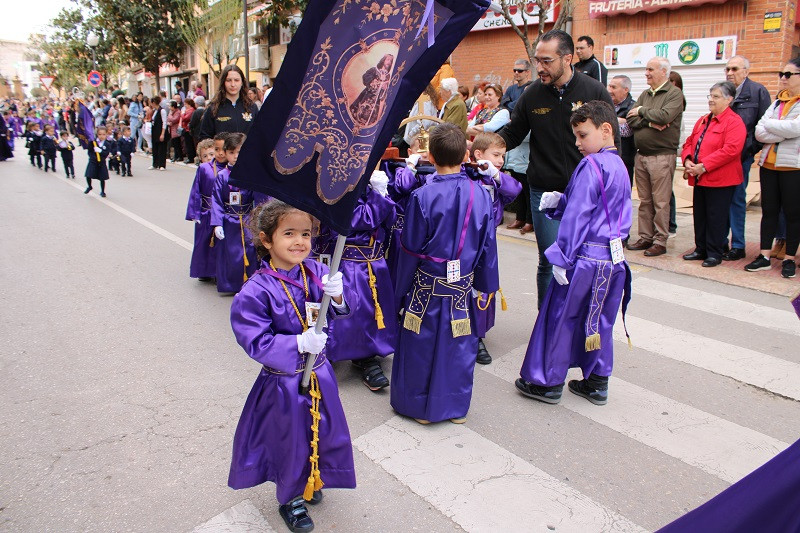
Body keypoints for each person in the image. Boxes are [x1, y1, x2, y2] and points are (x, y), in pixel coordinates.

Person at [228, 200, 355, 533]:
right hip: (284, 381)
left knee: (323, 431)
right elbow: (255, 340)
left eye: (306, 234)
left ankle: (313, 475)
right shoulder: (255, 290)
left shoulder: (314, 271)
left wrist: (338, 296)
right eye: (289, 234)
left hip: (321, 373)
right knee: (291, 440)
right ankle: (290, 498)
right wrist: (297, 344)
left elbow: (337, 312)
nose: (301, 241)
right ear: (266, 240)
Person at [515, 100, 631, 406]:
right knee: (600, 320)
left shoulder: (591, 165)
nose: (577, 143)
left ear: (606, 130)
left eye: (582, 135)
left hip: (583, 260)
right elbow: (605, 211)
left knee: (560, 317)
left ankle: (549, 382)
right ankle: (597, 381)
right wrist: (561, 201)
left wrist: (562, 257)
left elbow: (579, 216)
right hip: (613, 260)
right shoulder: (619, 165)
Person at [390, 123, 499, 425]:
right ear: (466, 155)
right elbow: (488, 245)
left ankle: (419, 408)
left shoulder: (422, 196)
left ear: (430, 157)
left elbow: (410, 249)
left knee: (420, 344)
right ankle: (454, 407)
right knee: (458, 346)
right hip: (462, 288)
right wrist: (487, 285)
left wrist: (398, 290)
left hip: (426, 287)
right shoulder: (482, 194)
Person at [498, 29, 614, 308]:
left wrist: (612, 184)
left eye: (547, 61)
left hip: (586, 192)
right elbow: (512, 134)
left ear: (568, 58)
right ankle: (547, 325)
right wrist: (484, 146)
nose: (540, 67)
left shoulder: (594, 91)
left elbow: (612, 143)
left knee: (584, 259)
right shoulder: (531, 94)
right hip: (544, 191)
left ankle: (578, 320)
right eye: (537, 60)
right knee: (551, 259)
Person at [314, 171, 397, 391]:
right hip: (350, 263)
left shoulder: (369, 187)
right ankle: (330, 353)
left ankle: (368, 356)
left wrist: (382, 192)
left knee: (374, 312)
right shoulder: (336, 189)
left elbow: (390, 220)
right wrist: (379, 196)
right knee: (350, 312)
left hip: (375, 262)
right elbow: (359, 219)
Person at [745, 57, 800, 279]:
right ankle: (764, 256)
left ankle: (789, 258)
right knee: (769, 213)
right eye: (781, 74)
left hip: (792, 167)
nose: (783, 79)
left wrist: (773, 127)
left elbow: (797, 127)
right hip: (769, 165)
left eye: (788, 74)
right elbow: (760, 131)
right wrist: (782, 129)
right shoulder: (777, 103)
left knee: (794, 214)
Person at [681, 82, 746, 267]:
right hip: (700, 177)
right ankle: (701, 248)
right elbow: (690, 142)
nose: (711, 100)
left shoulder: (734, 122)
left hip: (720, 180)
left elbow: (731, 150)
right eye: (710, 95)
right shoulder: (703, 120)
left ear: (729, 99)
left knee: (716, 217)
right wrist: (687, 160)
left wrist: (704, 166)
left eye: (716, 96)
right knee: (700, 215)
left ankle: (715, 252)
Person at [470, 132, 522, 365]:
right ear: (479, 155)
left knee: (484, 286)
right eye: (496, 155)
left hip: (488, 243)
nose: (501, 160)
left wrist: (496, 175)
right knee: (466, 286)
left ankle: (479, 333)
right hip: (468, 242)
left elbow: (515, 190)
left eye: (503, 155)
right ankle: (466, 330)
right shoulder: (468, 176)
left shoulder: (496, 179)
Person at [625, 57, 684, 257]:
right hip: (641, 155)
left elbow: (665, 116)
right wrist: (649, 122)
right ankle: (645, 236)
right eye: (646, 69)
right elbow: (631, 120)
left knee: (661, 202)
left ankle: (660, 240)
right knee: (645, 201)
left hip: (662, 156)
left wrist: (642, 111)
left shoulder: (674, 94)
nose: (646, 73)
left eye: (650, 69)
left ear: (663, 72)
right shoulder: (644, 94)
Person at [723, 55, 772, 261]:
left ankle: (738, 245)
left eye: (734, 69)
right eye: (727, 69)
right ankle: (720, 241)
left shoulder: (757, 92)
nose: (730, 73)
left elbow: (763, 126)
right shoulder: (723, 91)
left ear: (746, 71)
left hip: (741, 158)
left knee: (737, 200)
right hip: (721, 158)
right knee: (721, 201)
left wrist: (749, 151)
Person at [210, 133, 260, 293]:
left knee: (251, 250)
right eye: (232, 152)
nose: (236, 156)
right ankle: (230, 284)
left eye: (240, 152)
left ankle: (251, 283)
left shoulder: (250, 175)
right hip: (229, 219)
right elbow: (216, 200)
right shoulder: (222, 176)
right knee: (230, 253)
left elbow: (258, 198)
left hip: (247, 218)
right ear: (225, 153)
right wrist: (217, 223)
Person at [185, 138, 219, 282]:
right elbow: (196, 191)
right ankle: (203, 271)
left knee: (218, 243)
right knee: (203, 242)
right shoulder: (203, 170)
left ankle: (218, 271)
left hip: (219, 211)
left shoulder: (223, 169)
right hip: (205, 211)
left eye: (211, 154)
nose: (209, 158)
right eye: (205, 156)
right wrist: (195, 212)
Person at [199, 65, 259, 140]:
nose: (233, 84)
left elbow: (259, 134)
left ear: (242, 82)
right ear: (223, 82)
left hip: (247, 151)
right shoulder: (213, 108)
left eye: (236, 80)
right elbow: (205, 137)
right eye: (228, 80)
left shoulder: (252, 107)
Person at [349, 54, 394, 127]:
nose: (389, 62)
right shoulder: (374, 70)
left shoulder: (388, 76)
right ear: (383, 60)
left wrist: (385, 87)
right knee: (360, 112)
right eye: (388, 60)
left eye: (391, 61)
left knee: (371, 118)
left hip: (377, 101)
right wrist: (378, 83)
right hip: (367, 96)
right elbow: (365, 78)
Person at [667, 71, 687, 235]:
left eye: (672, 82)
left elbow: (665, 120)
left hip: (669, 150)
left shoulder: (677, 101)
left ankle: (671, 225)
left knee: (666, 193)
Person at [608, 75, 636, 185]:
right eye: (609, 86)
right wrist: (619, 121)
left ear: (626, 90)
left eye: (614, 87)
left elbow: (627, 131)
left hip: (624, 159)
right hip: (608, 158)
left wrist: (610, 121)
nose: (609, 90)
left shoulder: (633, 106)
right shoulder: (607, 105)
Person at [84, 125, 113, 197]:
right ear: (97, 134)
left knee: (102, 178)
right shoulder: (93, 142)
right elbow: (89, 152)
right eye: (100, 134)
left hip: (101, 162)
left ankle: (102, 191)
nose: (101, 136)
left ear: (106, 134)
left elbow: (106, 153)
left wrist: (100, 151)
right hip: (93, 161)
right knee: (89, 175)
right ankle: (89, 186)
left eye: (103, 134)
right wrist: (93, 157)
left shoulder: (107, 144)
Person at [148, 96, 168, 171]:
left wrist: (162, 133)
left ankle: (162, 164)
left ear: (154, 103)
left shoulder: (162, 111)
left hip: (160, 131)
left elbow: (164, 123)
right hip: (154, 131)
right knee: (155, 148)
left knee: (161, 148)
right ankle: (155, 163)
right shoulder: (154, 111)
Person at [180, 98, 197, 163]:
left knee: (189, 144)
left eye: (185, 104)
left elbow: (185, 118)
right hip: (185, 128)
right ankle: (190, 157)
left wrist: (182, 114)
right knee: (187, 144)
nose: (185, 105)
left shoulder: (191, 110)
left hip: (188, 129)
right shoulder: (188, 110)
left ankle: (191, 157)